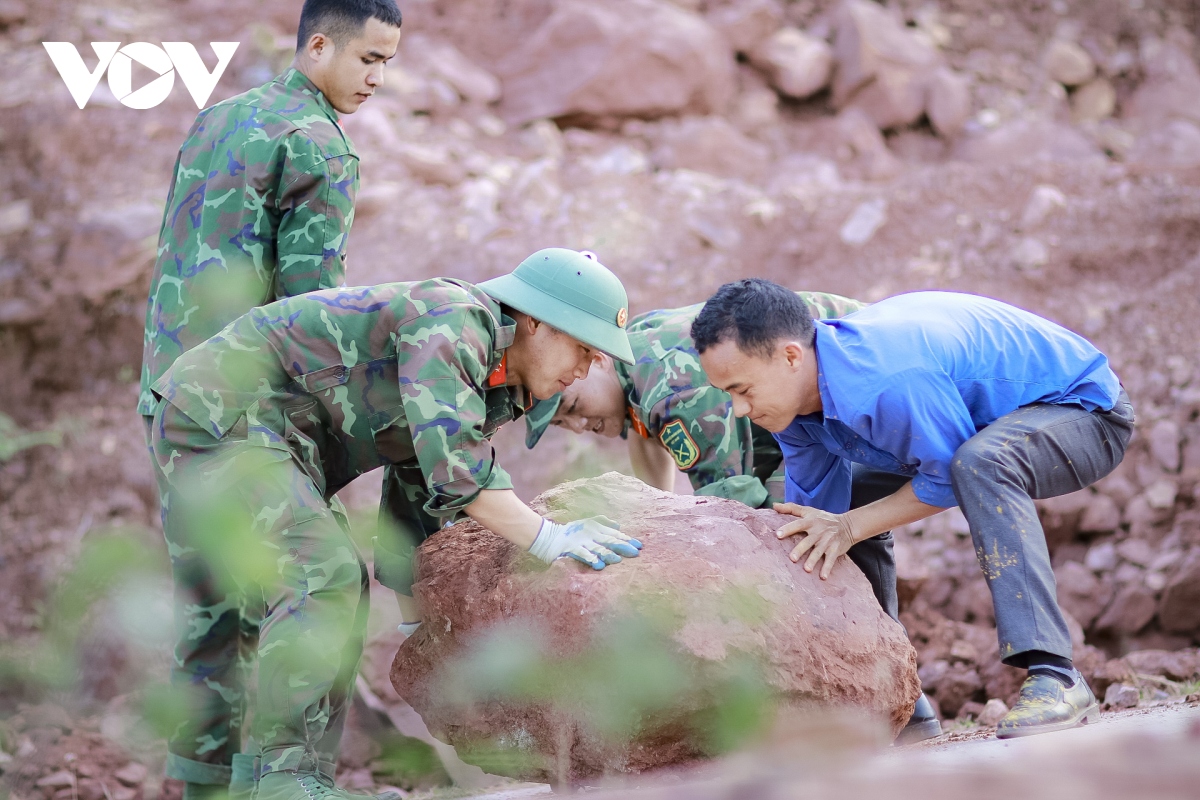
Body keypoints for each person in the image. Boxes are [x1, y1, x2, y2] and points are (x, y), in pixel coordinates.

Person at [149, 249, 643, 800]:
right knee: (321, 574)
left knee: (340, 582)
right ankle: (284, 783)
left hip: (274, 441)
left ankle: (273, 783)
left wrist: (418, 625)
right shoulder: (455, 321)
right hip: (216, 413)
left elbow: (418, 489)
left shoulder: (502, 384)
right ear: (535, 321)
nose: (586, 370)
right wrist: (552, 538)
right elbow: (458, 473)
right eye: (582, 347)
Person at [135, 3, 402, 797]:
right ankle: (285, 783)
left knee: (210, 606)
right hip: (244, 410)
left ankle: (200, 785)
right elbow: (310, 315)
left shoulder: (222, 115)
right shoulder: (319, 143)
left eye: (388, 64)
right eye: (368, 59)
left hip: (167, 389)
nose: (378, 81)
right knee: (313, 581)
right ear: (318, 45)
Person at [691, 280, 1135, 740]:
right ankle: (896, 704)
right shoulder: (793, 410)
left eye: (742, 389)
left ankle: (1056, 677)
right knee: (826, 528)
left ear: (790, 356)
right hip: (980, 430)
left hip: (1084, 411)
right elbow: (818, 522)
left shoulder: (886, 378)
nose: (738, 410)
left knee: (980, 463)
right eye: (727, 394)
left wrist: (849, 526)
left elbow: (948, 474)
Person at [522, 291, 942, 744]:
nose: (581, 426)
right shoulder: (635, 358)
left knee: (807, 544)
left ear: (597, 361)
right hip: (805, 418)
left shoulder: (675, 390)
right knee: (806, 539)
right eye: (564, 426)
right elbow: (650, 441)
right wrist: (659, 524)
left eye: (572, 408)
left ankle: (898, 707)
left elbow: (737, 512)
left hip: (869, 391)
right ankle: (885, 707)